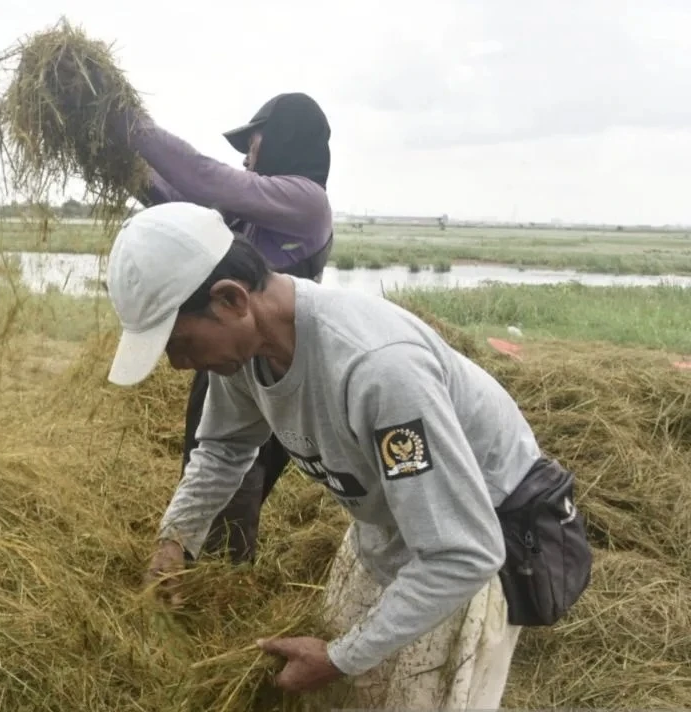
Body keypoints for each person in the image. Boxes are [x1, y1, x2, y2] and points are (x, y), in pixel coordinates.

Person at [103, 201, 592, 709]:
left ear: (230, 299)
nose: (180, 365)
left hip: (471, 549)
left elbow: (462, 552)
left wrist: (340, 656)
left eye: (180, 344)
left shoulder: (378, 370)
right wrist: (175, 540)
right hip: (389, 525)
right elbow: (225, 450)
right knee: (345, 693)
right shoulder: (245, 355)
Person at [110, 92, 335, 564]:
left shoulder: (306, 201)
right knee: (209, 459)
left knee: (246, 472)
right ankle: (195, 559)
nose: (248, 158)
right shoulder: (250, 217)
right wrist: (116, 161)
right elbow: (182, 202)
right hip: (228, 357)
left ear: (284, 141)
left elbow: (206, 180)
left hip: (275, 360)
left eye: (254, 144)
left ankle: (222, 579)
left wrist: (127, 122)